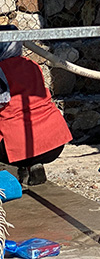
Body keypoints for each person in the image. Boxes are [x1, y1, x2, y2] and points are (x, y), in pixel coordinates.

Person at [0, 25, 72, 186]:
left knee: (10, 124)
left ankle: (23, 163)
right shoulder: (31, 65)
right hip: (55, 142)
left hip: (21, 145)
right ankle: (31, 166)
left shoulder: (1, 71)